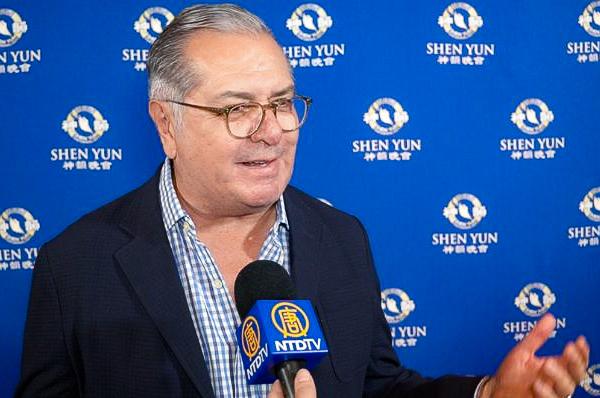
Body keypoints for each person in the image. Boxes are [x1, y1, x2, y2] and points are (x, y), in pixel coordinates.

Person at [16, 3, 589, 398]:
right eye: (237, 108)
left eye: (283, 102)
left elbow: (378, 389)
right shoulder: (76, 265)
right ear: (166, 124)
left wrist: (488, 392)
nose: (272, 131)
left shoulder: (341, 238)